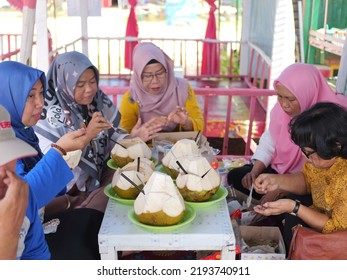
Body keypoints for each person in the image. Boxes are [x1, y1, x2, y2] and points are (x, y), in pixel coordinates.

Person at [0, 61, 103, 259]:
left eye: (41, 93)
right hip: (23, 242)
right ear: (7, 96)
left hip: (34, 230)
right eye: (30, 95)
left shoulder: (24, 134)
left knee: (93, 219)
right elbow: (24, 196)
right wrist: (60, 150)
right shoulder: (6, 142)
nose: (40, 103)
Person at [34, 51, 161, 212]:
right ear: (64, 84)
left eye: (93, 82)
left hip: (97, 178)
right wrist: (88, 135)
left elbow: (113, 135)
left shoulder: (97, 102)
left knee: (132, 178)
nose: (89, 89)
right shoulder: (48, 116)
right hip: (67, 190)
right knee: (112, 201)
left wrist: (133, 138)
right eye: (80, 85)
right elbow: (55, 163)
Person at [227, 63, 347, 201]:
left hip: (311, 183)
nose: (284, 104)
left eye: (290, 99)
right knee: (237, 176)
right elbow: (269, 142)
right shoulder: (280, 112)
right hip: (282, 172)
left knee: (295, 204)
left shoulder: (329, 119)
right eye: (280, 97)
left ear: (307, 93)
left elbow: (316, 176)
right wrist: (255, 171)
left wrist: (282, 189)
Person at [253, 102, 347, 250]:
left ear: (337, 146)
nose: (305, 157)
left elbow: (337, 229)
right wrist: (276, 181)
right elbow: (308, 180)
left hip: (340, 240)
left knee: (293, 213)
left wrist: (294, 207)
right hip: (324, 217)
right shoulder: (325, 160)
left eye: (308, 152)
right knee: (292, 213)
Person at [119, 42, 204, 133]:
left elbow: (200, 125)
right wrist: (138, 134)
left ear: (167, 70)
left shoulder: (182, 89)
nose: (155, 81)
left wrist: (186, 123)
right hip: (143, 147)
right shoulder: (131, 99)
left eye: (160, 73)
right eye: (148, 76)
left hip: (179, 146)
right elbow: (123, 136)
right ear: (138, 76)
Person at [0, 105, 33, 259]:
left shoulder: (16, 198)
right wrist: (9, 233)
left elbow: (37, 255)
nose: (3, 171)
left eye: (8, 154)